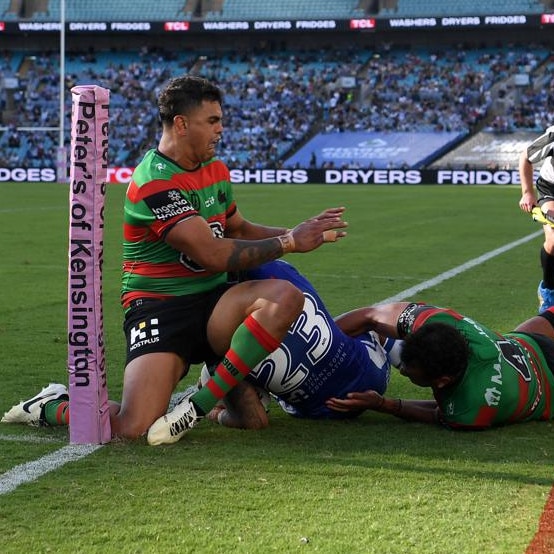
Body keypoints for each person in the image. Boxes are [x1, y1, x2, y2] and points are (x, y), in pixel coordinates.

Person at [1, 75, 347, 445]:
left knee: (286, 296)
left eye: (221, 120)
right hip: (160, 309)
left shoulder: (215, 169)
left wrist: (295, 230)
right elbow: (212, 254)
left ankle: (199, 404)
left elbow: (239, 229)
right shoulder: (153, 180)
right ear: (182, 124)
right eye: (212, 121)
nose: (221, 130)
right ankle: (52, 403)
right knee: (130, 429)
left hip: (214, 303)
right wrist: (291, 241)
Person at [199, 260, 401, 429]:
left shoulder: (216, 340)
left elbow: (255, 421)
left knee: (217, 373)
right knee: (366, 323)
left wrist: (216, 414)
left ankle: (239, 392)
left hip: (324, 410)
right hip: (373, 374)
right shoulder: (276, 270)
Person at [325, 302, 554, 430]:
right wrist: (322, 346)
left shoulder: (469, 411)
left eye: (409, 372)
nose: (402, 370)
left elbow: (436, 413)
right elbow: (370, 316)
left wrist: (383, 404)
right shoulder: (442, 323)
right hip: (529, 343)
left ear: (442, 381)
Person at [518, 125, 554, 312]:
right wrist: (527, 193)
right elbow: (525, 157)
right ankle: (548, 292)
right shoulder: (553, 136)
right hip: (551, 189)